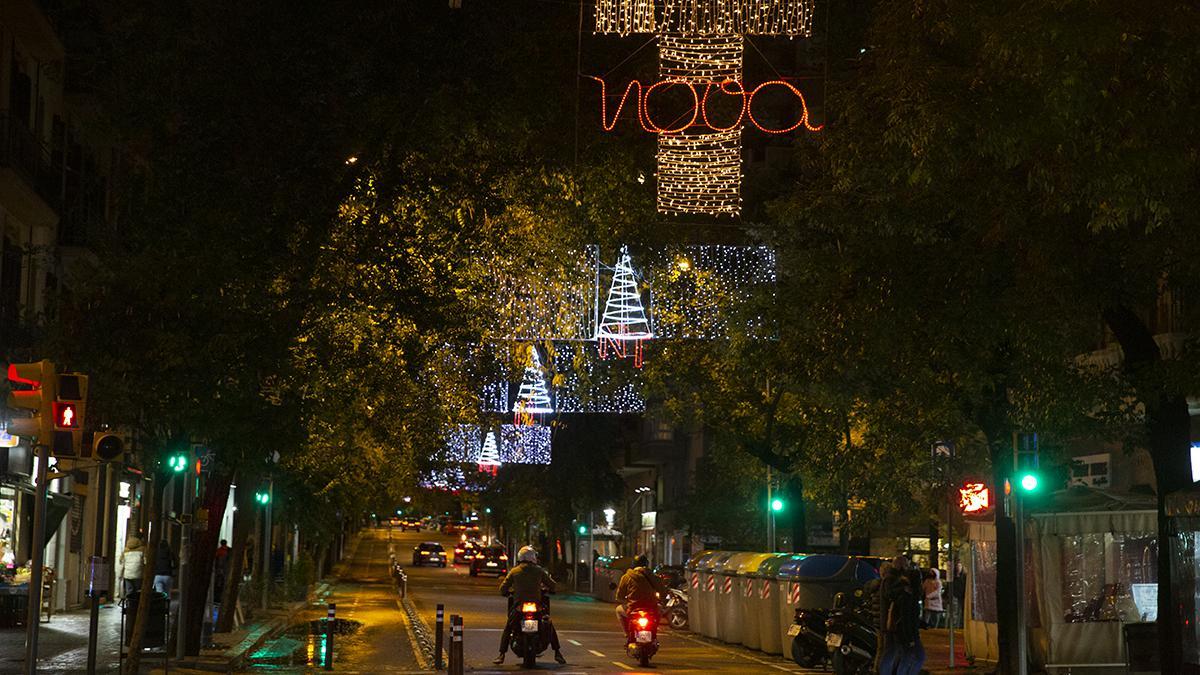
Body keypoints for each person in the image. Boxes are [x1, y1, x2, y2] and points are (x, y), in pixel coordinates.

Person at [494, 546, 565, 665]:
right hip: (537, 606)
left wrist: (508, 592)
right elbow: (552, 585)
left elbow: (503, 589)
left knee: (509, 626)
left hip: (519, 606)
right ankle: (557, 652)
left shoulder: (514, 571)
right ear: (533, 557)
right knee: (549, 625)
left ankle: (502, 654)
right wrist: (550, 589)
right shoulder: (539, 570)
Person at [614, 554, 668, 636]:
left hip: (633, 608)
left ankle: (627, 633)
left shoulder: (626, 577)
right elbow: (663, 592)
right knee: (660, 610)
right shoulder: (653, 576)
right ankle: (654, 631)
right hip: (651, 608)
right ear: (646, 564)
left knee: (618, 610)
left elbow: (619, 597)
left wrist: (628, 600)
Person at [951, 561, 966, 628]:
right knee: (955, 611)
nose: (958, 568)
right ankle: (954, 625)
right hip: (955, 595)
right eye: (957, 566)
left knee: (962, 611)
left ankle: (961, 625)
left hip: (962, 596)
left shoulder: (964, 577)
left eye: (959, 566)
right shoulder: (953, 577)